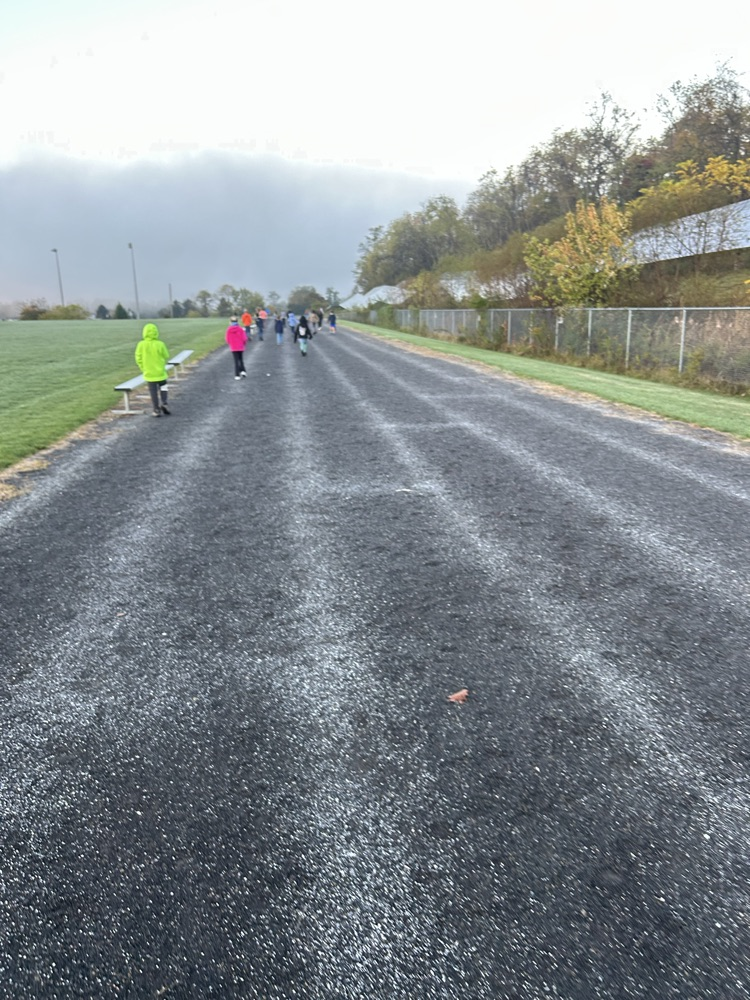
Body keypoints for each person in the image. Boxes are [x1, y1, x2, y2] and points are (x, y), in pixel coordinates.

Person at [135, 322, 171, 417]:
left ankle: (156, 409)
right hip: (160, 372)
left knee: (153, 391)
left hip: (149, 373)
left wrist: (142, 367)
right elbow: (166, 355)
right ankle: (164, 402)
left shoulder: (141, 345)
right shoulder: (160, 344)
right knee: (163, 387)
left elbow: (138, 358)